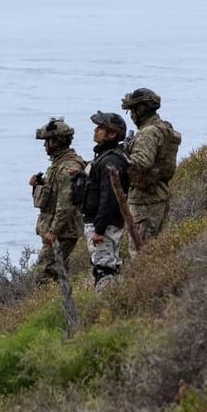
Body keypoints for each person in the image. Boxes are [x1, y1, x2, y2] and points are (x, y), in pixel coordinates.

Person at [76, 111, 130, 289]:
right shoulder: (105, 158)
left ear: (112, 134)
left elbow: (109, 197)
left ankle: (107, 307)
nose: (95, 131)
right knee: (108, 266)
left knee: (103, 269)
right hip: (104, 223)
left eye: (100, 128)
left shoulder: (111, 160)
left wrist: (99, 229)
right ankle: (114, 302)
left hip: (104, 226)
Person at [121, 88, 181, 243]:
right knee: (154, 247)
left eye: (132, 110)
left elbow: (142, 162)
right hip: (160, 194)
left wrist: (119, 157)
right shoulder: (164, 128)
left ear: (141, 109)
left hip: (144, 200)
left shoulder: (147, 132)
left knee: (139, 250)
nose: (132, 115)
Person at [29, 116, 85, 283]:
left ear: (56, 142)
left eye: (47, 141)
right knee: (55, 271)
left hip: (63, 231)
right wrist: (39, 185)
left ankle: (56, 303)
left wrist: (53, 231)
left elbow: (66, 203)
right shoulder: (60, 164)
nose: (45, 145)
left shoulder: (67, 166)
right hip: (61, 230)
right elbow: (56, 193)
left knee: (44, 274)